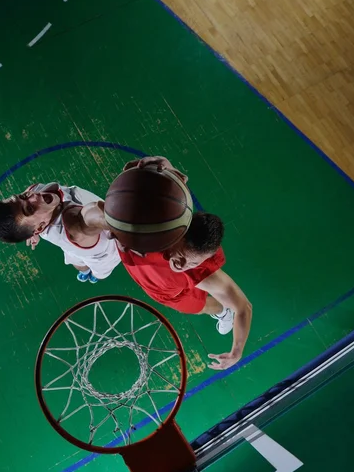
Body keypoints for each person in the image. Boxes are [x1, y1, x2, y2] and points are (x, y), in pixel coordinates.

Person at [107, 156, 252, 371]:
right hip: (144, 275)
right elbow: (147, 191)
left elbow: (243, 307)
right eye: (182, 255)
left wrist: (237, 351)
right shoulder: (152, 229)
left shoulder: (198, 270)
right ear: (178, 233)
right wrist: (168, 171)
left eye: (192, 262)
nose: (182, 264)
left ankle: (221, 310)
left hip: (172, 293)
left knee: (200, 307)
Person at [0, 182, 120, 283]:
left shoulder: (36, 191)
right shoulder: (75, 228)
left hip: (71, 245)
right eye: (29, 208)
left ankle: (84, 272)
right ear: (40, 227)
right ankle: (91, 275)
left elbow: (28, 203)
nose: (33, 196)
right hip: (106, 253)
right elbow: (90, 220)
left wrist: (32, 233)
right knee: (91, 270)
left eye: (22, 196)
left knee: (75, 259)